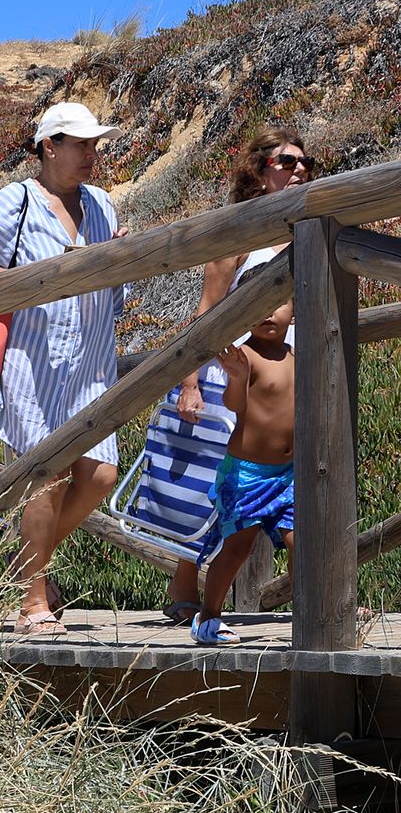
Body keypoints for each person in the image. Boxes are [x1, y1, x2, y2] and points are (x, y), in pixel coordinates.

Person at [0, 102, 126, 636]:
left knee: (101, 475)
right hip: (34, 362)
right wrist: (36, 278)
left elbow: (113, 285)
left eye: (95, 144)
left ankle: (23, 562)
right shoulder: (19, 200)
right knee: (44, 480)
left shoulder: (101, 204)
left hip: (92, 362)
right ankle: (33, 602)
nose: (91, 154)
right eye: (81, 144)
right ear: (49, 146)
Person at [158, 128, 315, 623]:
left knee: (268, 487)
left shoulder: (303, 228)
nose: (299, 169)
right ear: (259, 170)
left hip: (285, 375)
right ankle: (185, 584)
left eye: (305, 162)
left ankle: (244, 598)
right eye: (287, 162)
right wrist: (188, 382)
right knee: (210, 480)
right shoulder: (238, 235)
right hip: (225, 370)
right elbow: (205, 314)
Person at [189, 291, 296, 645]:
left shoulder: (297, 354)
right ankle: (209, 615)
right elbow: (236, 405)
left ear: (294, 309)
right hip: (248, 475)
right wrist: (236, 378)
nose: (268, 313)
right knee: (237, 549)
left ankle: (313, 608)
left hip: (290, 475)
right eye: (259, 306)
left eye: (278, 303)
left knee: (304, 545)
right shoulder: (245, 356)